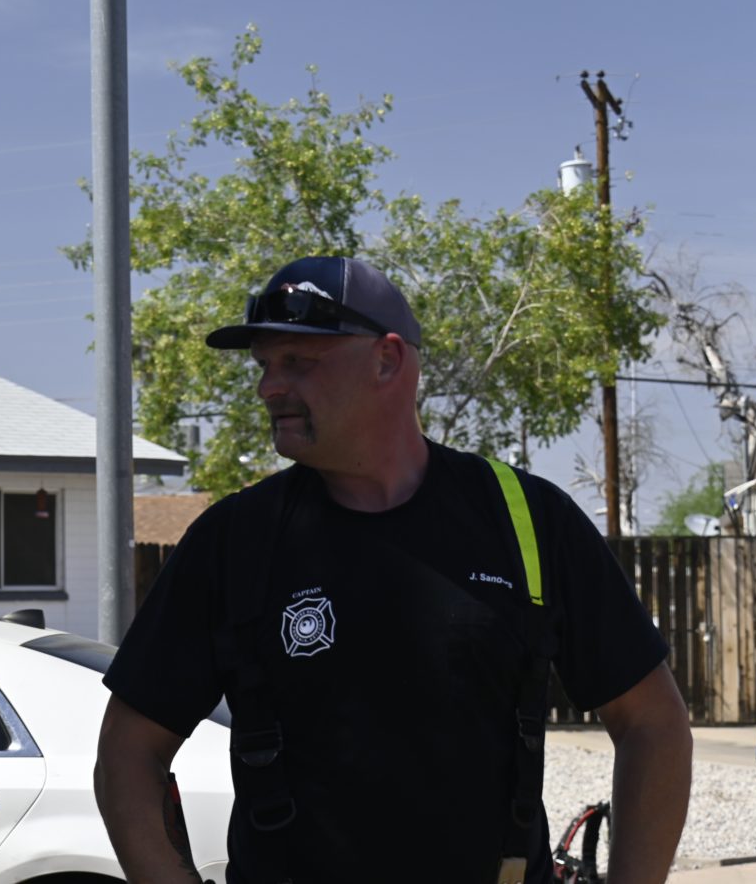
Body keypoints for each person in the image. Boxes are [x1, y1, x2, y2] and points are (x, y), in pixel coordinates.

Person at [95, 255, 693, 884]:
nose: (269, 387)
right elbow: (127, 756)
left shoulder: (527, 522)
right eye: (265, 365)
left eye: (297, 361)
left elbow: (653, 723)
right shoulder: (235, 541)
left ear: (386, 360)